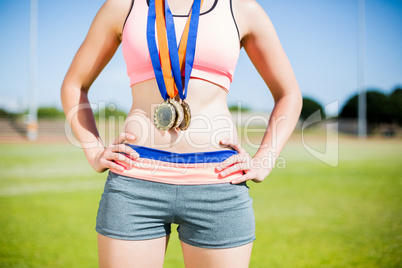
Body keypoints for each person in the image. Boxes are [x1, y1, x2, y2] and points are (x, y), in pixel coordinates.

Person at [61, 0, 302, 267]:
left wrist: (264, 161)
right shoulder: (124, 6)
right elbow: (75, 84)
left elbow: (289, 94)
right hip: (134, 185)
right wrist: (93, 150)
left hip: (219, 184)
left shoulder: (241, 8)